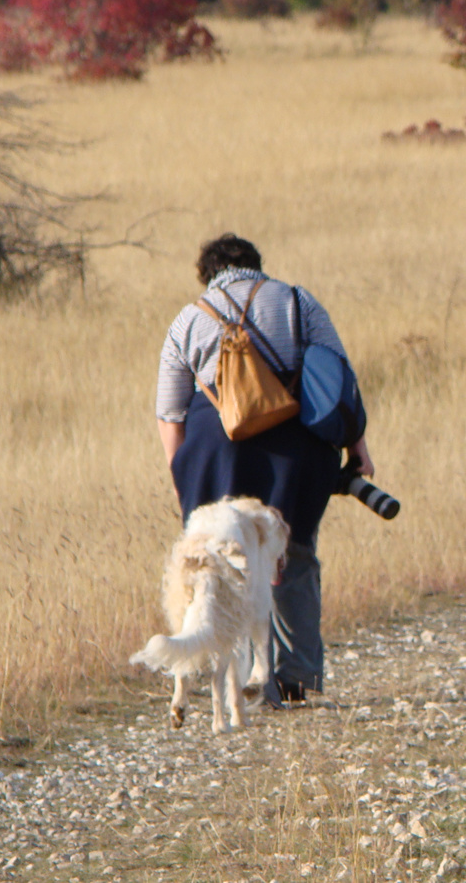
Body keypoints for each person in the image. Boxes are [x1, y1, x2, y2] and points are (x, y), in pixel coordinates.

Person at [156, 233, 374, 707]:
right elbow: (340, 380)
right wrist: (358, 449)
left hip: (215, 452)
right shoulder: (298, 301)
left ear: (207, 274)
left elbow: (170, 413)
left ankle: (231, 683)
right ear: (256, 265)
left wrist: (183, 477)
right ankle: (294, 681)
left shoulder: (188, 319)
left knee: (217, 561)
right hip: (295, 450)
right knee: (291, 555)